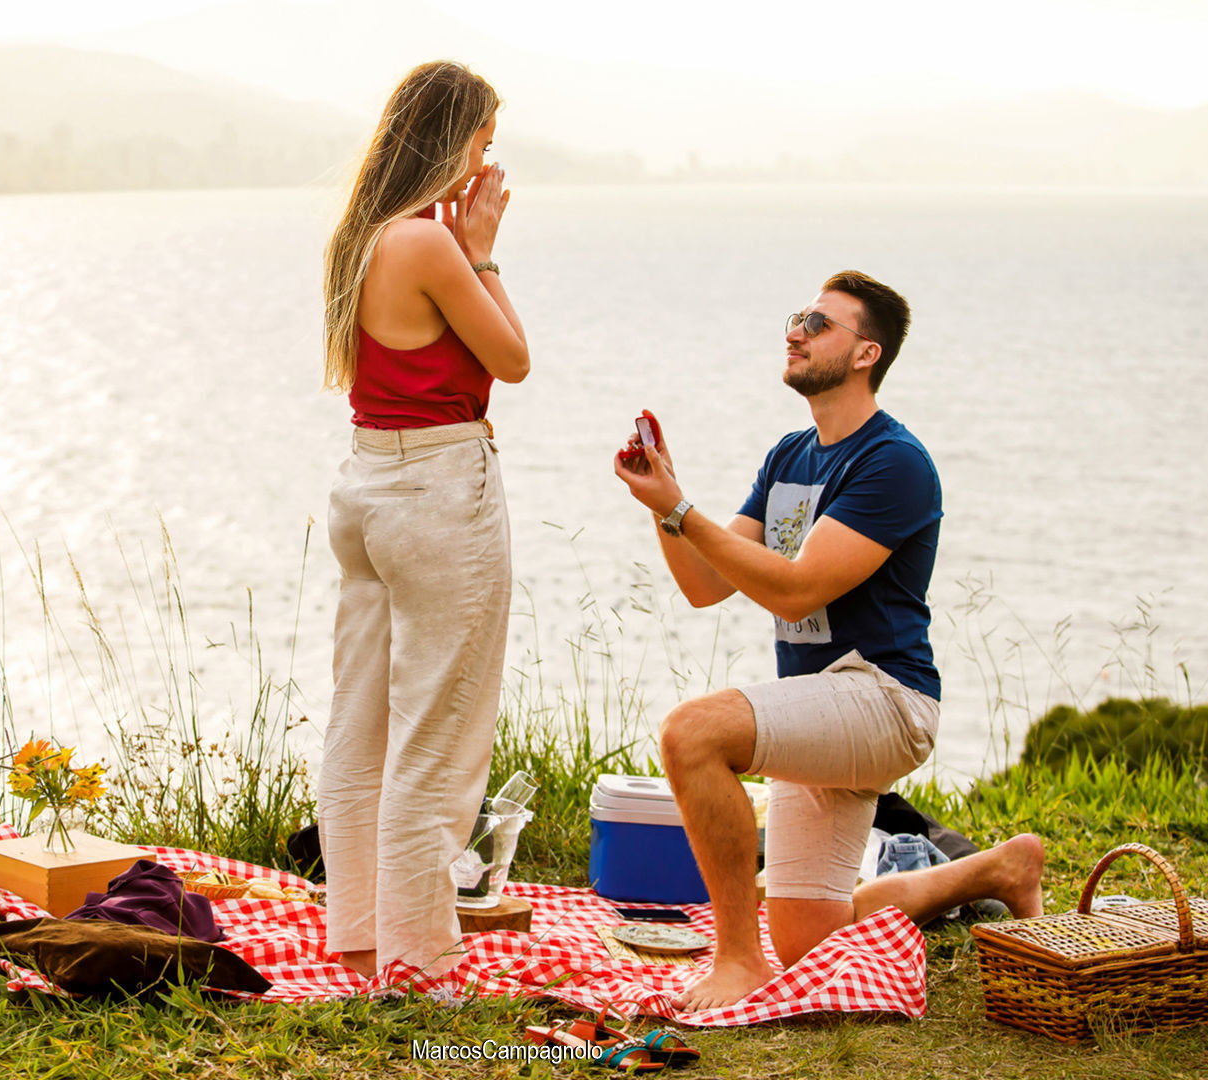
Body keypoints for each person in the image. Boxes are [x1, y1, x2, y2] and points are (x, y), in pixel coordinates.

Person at [613, 271, 1045, 1010]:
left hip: (883, 700)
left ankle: (737, 961)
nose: (796, 331)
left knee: (692, 735)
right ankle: (994, 871)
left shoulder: (894, 462)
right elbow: (703, 585)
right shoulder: (790, 455)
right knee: (809, 942)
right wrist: (663, 499)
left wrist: (682, 508)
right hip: (820, 708)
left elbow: (795, 587)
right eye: (797, 318)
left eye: (817, 323)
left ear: (863, 354)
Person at [317, 61, 529, 979]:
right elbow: (512, 360)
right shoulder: (431, 245)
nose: (486, 163)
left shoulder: (358, 237)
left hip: (365, 486)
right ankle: (419, 960)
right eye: (482, 143)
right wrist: (481, 247)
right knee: (437, 733)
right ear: (451, 139)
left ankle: (360, 934)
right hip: (439, 489)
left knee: (360, 722)